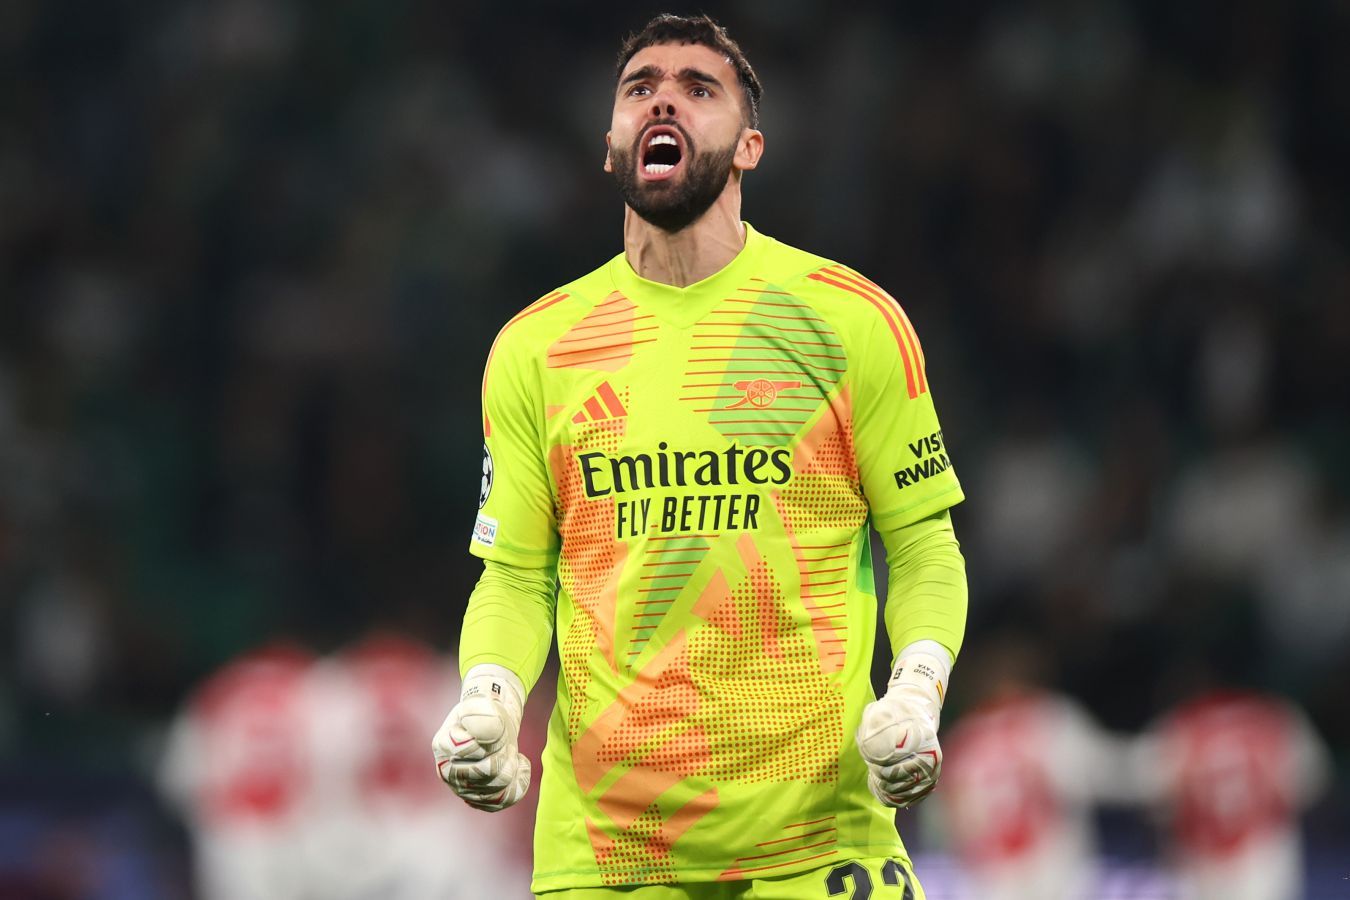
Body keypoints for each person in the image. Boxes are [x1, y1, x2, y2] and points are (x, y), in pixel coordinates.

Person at [431, 14, 968, 898]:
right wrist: (488, 697)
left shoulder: (850, 320)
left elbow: (922, 546)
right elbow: (517, 576)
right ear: (611, 145)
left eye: (698, 88)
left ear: (750, 146)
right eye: (640, 88)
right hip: (607, 853)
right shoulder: (537, 347)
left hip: (818, 840)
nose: (663, 101)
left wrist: (916, 690)